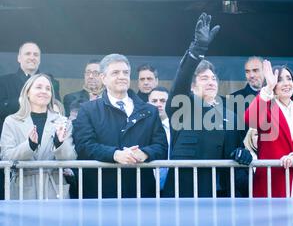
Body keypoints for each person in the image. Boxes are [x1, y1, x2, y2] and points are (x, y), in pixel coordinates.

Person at [162, 13, 252, 198]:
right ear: (193, 85)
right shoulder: (183, 106)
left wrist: (243, 154)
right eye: (204, 78)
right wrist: (197, 50)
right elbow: (182, 80)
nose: (210, 82)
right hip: (187, 192)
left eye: (213, 78)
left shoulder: (231, 115)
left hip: (223, 194)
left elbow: (238, 147)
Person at [73, 54, 168, 198]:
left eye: (125, 72)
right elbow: (84, 145)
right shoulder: (88, 110)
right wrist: (115, 154)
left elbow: (161, 146)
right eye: (115, 73)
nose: (122, 76)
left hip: (141, 191)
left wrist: (144, 153)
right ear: (103, 78)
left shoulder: (150, 110)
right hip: (100, 192)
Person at [244, 60, 293, 198]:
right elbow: (250, 119)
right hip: (272, 184)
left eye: (289, 78)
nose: (286, 83)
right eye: (280, 80)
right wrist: (268, 88)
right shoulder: (267, 111)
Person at [0, 74, 76, 199]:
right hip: (23, 188)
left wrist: (59, 143)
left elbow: (71, 157)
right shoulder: (12, 121)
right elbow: (6, 156)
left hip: (55, 188)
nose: (44, 91)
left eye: (48, 88)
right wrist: (29, 145)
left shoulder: (63, 122)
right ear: (27, 92)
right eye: (39, 87)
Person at [0, 42, 60, 137]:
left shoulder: (52, 83)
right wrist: (23, 101)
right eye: (28, 54)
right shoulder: (3, 82)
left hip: (44, 137)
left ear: (39, 60)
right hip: (12, 137)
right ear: (19, 58)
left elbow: (57, 111)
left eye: (36, 55)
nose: (32, 57)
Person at [148, 86, 170, 191]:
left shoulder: (178, 129)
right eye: (154, 101)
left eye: (163, 101)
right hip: (148, 185)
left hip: (173, 186)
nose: (158, 104)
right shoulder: (141, 129)